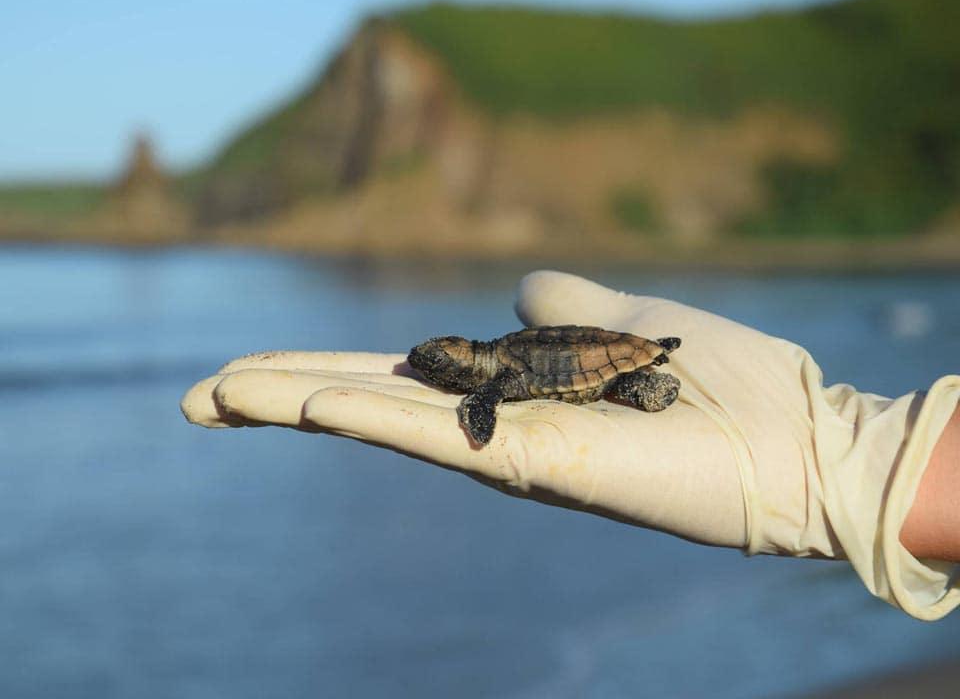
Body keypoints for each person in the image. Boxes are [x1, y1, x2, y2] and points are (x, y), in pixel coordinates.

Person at [181, 270, 960, 621]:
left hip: (599, 367)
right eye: (435, 364)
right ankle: (648, 374)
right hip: (589, 357)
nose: (433, 368)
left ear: (466, 367)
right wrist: (863, 464)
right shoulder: (495, 359)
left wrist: (834, 454)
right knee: (622, 377)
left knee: (640, 389)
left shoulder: (496, 374)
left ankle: (650, 379)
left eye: (440, 365)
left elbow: (504, 391)